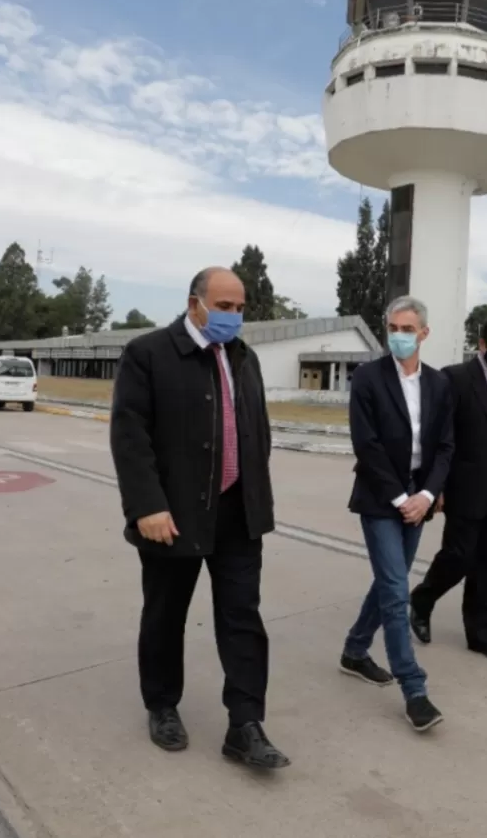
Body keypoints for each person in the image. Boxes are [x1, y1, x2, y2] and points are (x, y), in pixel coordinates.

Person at [110, 267, 289, 770]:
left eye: (240, 308)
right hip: (173, 515)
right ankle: (162, 705)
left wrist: (256, 495)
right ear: (195, 304)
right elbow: (130, 435)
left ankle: (245, 725)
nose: (234, 316)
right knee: (166, 615)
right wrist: (146, 505)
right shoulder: (148, 354)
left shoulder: (244, 357)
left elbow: (257, 430)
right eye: (225, 307)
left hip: (239, 514)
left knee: (243, 618)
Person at [340, 296, 454, 732]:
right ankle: (414, 689)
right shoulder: (368, 377)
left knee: (391, 581)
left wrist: (426, 494)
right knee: (395, 588)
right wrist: (398, 497)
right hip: (380, 497)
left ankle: (355, 649)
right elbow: (365, 444)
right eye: (393, 328)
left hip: (418, 499)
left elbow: (446, 446)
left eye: (408, 329)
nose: (399, 336)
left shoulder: (439, 383)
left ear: (424, 333)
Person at [410, 317, 487, 665]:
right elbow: (439, 436)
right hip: (467, 485)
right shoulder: (455, 378)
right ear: (482, 345)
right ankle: (423, 598)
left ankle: (481, 636)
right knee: (459, 556)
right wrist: (435, 486)